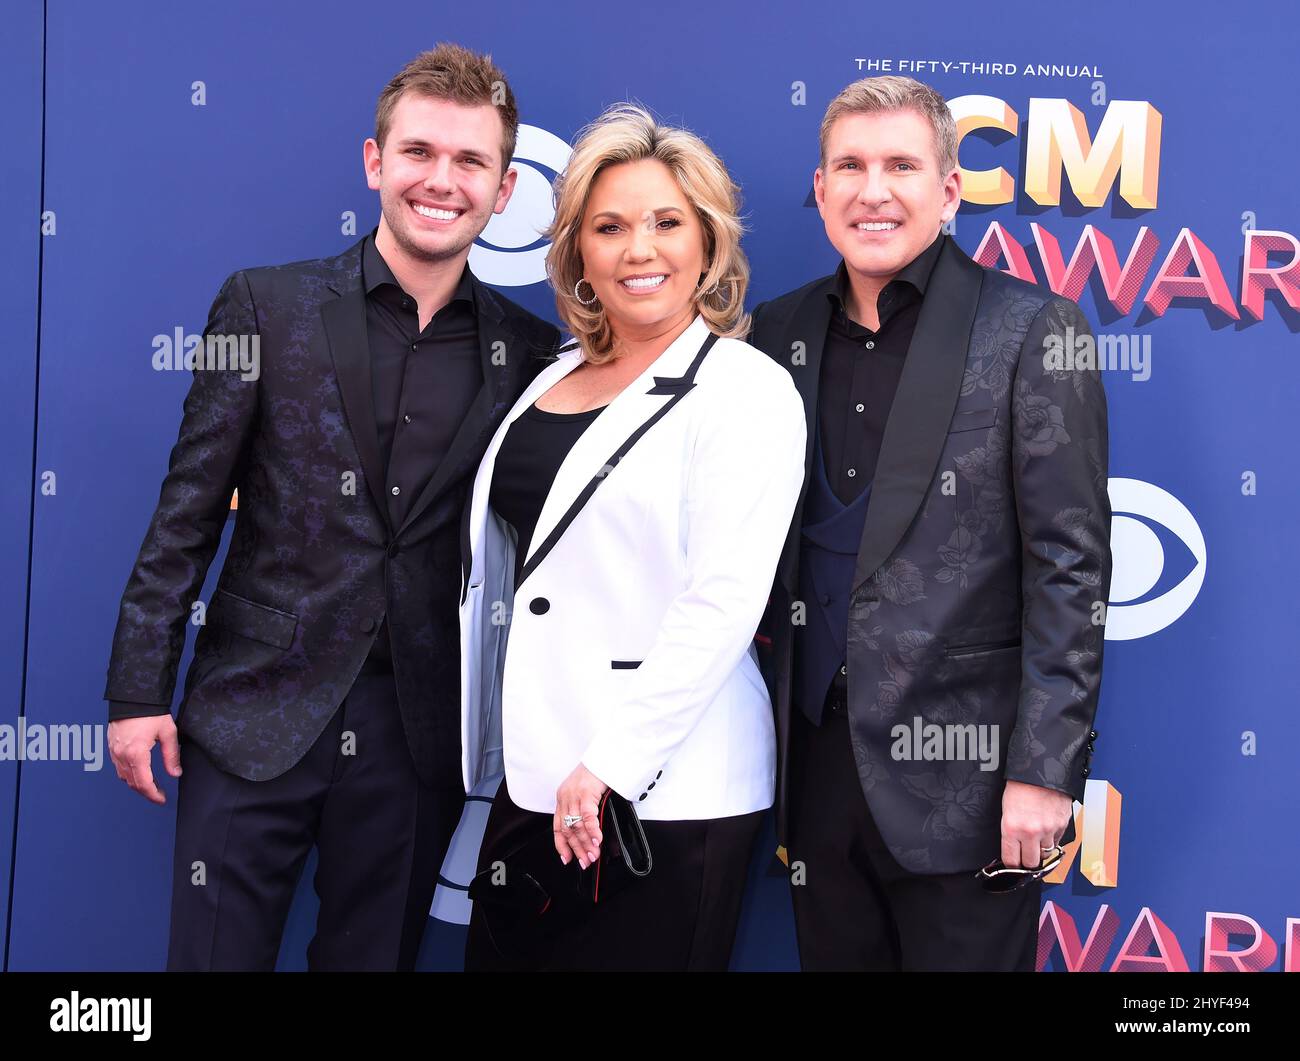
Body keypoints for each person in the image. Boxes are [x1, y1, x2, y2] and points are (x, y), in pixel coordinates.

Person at [103, 44, 560, 971]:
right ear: (374, 162)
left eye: (471, 162)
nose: (443, 180)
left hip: (415, 732)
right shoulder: (266, 306)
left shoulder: (532, 352)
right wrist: (137, 689)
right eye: (421, 152)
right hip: (250, 712)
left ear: (505, 189)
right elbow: (188, 507)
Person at [749, 76, 1111, 971]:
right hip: (814, 774)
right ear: (822, 188)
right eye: (851, 166)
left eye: (902, 165)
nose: (874, 190)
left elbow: (1070, 566)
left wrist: (1043, 769)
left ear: (949, 190)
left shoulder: (1032, 329)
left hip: (973, 783)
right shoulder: (772, 334)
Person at [459, 103, 805, 971]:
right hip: (537, 773)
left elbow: (723, 600)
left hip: (663, 789)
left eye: (666, 223)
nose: (638, 249)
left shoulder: (744, 390)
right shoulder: (554, 375)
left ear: (709, 243)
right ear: (578, 250)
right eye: (609, 226)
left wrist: (611, 763)